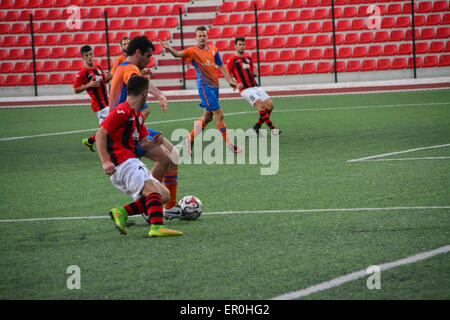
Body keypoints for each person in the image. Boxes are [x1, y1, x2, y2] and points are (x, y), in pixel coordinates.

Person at [96, 75, 182, 237]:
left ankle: (121, 212)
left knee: (163, 195)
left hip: (132, 161)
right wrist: (105, 162)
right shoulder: (121, 110)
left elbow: (143, 144)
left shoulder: (137, 116)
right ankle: (157, 227)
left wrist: (155, 142)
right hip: (123, 163)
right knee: (152, 192)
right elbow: (100, 134)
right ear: (144, 93)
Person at [109, 35, 183, 220]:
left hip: (132, 126)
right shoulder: (130, 68)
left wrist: (159, 94)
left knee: (172, 154)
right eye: (148, 56)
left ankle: (170, 205)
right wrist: (159, 94)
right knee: (165, 157)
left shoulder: (125, 67)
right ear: (138, 52)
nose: (149, 61)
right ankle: (148, 203)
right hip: (124, 133)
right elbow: (138, 81)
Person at [160, 26, 243, 155]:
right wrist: (170, 48)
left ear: (207, 36)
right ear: (196, 38)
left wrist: (230, 80)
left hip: (215, 87)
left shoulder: (214, 50)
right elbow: (178, 54)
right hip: (204, 88)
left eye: (204, 35)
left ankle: (188, 139)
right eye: (200, 36)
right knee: (219, 114)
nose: (202, 38)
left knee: (207, 117)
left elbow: (221, 65)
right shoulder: (192, 51)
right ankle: (230, 144)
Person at [226, 37, 281, 136]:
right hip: (245, 89)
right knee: (260, 105)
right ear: (235, 46)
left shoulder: (248, 58)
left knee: (270, 105)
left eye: (243, 44)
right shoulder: (232, 60)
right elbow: (227, 75)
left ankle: (256, 127)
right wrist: (235, 83)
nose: (242, 46)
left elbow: (252, 69)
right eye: (240, 44)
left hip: (255, 86)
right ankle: (273, 129)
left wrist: (255, 72)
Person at [73, 45, 113, 152]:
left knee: (105, 128)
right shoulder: (83, 72)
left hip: (107, 101)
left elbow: (102, 82)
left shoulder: (98, 67)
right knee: (113, 122)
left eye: (91, 54)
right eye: (87, 55)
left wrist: (108, 78)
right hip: (99, 105)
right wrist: (89, 85)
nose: (90, 57)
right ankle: (109, 149)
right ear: (83, 57)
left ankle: (90, 141)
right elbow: (76, 89)